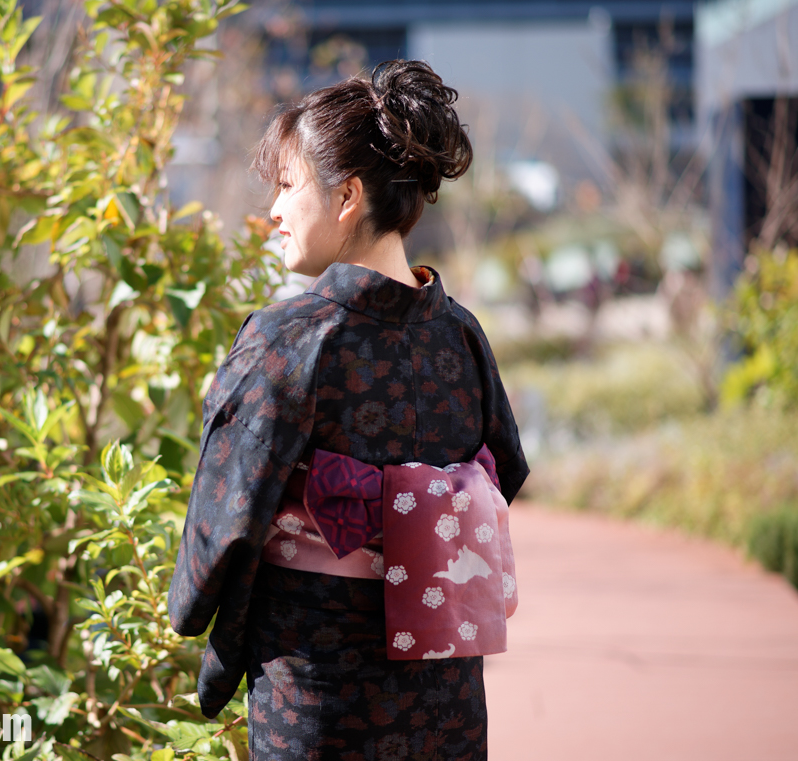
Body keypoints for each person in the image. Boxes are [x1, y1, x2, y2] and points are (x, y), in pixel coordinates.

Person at [167, 60, 530, 760]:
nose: (273, 211)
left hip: (320, 691)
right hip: (447, 693)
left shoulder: (286, 340)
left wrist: (206, 637)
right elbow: (503, 471)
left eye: (286, 185)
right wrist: (418, 532)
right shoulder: (461, 335)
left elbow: (225, 527)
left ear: (347, 197)